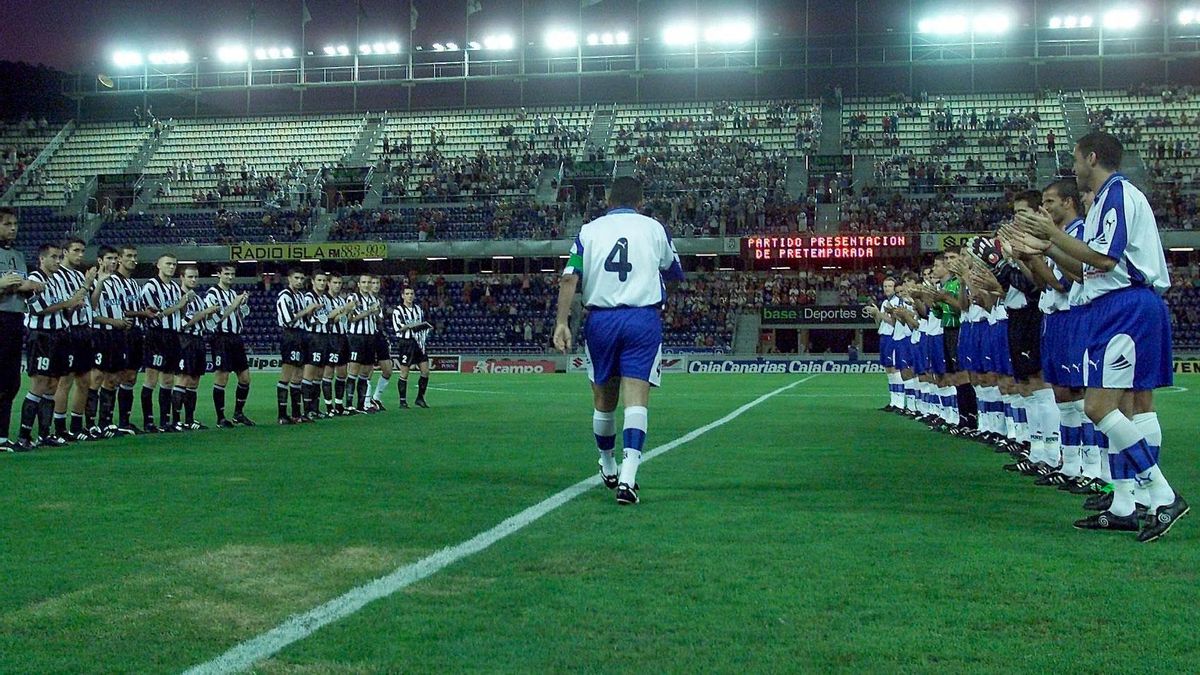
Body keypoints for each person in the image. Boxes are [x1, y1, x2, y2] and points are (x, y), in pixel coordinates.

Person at [1017, 130, 1187, 542]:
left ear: (1092, 158)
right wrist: (1045, 246)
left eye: (1076, 159)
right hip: (1113, 307)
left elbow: (1108, 258)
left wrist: (1052, 237)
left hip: (1125, 307)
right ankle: (1128, 503)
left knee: (1100, 407)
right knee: (1122, 407)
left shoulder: (1118, 194)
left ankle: (1162, 494)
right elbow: (1085, 271)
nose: (1073, 168)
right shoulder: (1105, 202)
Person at [553, 176, 685, 506]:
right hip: (642, 318)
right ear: (641, 202)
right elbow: (673, 269)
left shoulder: (589, 230)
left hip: (600, 319)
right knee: (636, 396)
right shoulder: (654, 228)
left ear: (608, 200)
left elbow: (569, 276)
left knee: (603, 399)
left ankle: (608, 464)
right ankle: (628, 478)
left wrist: (561, 322)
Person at [16, 244, 80, 449]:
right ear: (42, 259)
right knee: (40, 383)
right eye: (53, 257)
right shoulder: (34, 278)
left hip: (60, 335)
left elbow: (63, 310)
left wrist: (71, 307)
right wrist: (68, 303)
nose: (58, 261)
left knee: (53, 384)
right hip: (42, 337)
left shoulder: (58, 280)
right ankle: (24, 435)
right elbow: (37, 310)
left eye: (59, 257)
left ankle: (45, 433)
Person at [0, 208, 46, 451]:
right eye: (7, 224)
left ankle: (2, 437)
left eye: (15, 223)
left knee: (11, 381)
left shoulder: (18, 256)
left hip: (15, 319)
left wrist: (29, 288)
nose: (13, 228)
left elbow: (20, 285)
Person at [52, 238, 98, 442]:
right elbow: (68, 305)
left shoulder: (78, 275)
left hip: (84, 331)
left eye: (82, 251)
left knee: (84, 380)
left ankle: (77, 425)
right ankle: (60, 427)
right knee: (66, 380)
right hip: (69, 331)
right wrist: (87, 285)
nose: (80, 255)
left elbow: (89, 305)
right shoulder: (58, 276)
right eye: (76, 251)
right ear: (65, 252)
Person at [140, 254, 190, 432]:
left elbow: (180, 314)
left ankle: (165, 421)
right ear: (159, 265)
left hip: (173, 336)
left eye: (174, 264)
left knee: (168, 380)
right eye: (168, 264)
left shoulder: (175, 288)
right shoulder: (150, 287)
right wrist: (178, 305)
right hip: (157, 335)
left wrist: (182, 306)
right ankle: (148, 421)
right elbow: (155, 314)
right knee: (151, 379)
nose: (172, 267)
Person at [205, 263, 254, 428]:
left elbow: (241, 315)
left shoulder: (233, 293)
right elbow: (215, 318)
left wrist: (243, 304)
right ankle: (220, 418)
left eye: (232, 274)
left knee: (245, 378)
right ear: (218, 274)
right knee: (222, 377)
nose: (230, 277)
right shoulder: (212, 294)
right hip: (221, 338)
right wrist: (234, 304)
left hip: (236, 338)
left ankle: (238, 413)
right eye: (227, 274)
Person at [89, 246, 129, 438]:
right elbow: (90, 311)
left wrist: (123, 321)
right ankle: (90, 423)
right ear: (100, 260)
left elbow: (119, 307)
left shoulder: (117, 282)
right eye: (109, 258)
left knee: (113, 379)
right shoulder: (92, 279)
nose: (114, 262)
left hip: (117, 335)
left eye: (115, 258)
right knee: (96, 377)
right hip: (100, 335)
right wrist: (113, 321)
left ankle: (105, 422)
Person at [176, 265, 220, 430]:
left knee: (194, 380)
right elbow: (185, 323)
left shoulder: (199, 298)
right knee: (183, 378)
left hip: (198, 339)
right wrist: (205, 312)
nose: (193, 280)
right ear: (182, 277)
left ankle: (189, 419)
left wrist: (210, 313)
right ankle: (176, 420)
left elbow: (205, 322)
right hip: (184, 340)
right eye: (190, 277)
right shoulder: (179, 296)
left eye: (195, 277)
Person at [275, 269, 318, 424]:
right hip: (290, 335)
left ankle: (296, 414)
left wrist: (312, 313)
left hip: (301, 335)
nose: (299, 281)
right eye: (297, 278)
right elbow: (288, 320)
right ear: (289, 279)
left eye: (302, 278)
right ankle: (281, 415)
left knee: (298, 375)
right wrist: (306, 310)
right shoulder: (284, 296)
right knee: (286, 374)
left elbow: (305, 319)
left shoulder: (300, 295)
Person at [392, 286, 433, 408]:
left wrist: (424, 327)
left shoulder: (418, 309)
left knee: (425, 371)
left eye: (411, 293)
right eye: (407, 293)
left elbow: (420, 325)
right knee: (404, 372)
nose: (410, 296)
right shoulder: (398, 311)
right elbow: (398, 328)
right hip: (406, 343)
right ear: (402, 296)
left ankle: (420, 398)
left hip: (418, 343)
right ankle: (402, 401)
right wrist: (412, 325)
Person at [345, 274, 380, 414]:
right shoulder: (353, 298)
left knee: (366, 371)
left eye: (369, 282)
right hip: (356, 337)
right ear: (358, 284)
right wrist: (369, 312)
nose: (366, 285)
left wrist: (376, 313)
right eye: (364, 282)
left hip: (370, 337)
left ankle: (361, 405)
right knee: (353, 370)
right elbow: (350, 319)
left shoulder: (373, 299)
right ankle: (349, 405)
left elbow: (376, 318)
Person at [324, 275, 356, 416]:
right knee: (329, 373)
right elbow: (329, 319)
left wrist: (350, 311)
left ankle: (339, 404)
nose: (337, 285)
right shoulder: (325, 300)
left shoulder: (340, 300)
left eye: (339, 283)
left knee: (342, 373)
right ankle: (329, 406)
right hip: (331, 337)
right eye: (334, 283)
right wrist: (345, 309)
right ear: (328, 284)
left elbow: (346, 320)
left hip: (343, 337)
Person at [368, 276, 394, 411]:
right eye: (373, 283)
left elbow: (381, 320)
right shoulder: (363, 300)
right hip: (368, 336)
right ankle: (367, 402)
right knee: (368, 370)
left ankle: (376, 398)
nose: (376, 285)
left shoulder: (380, 300)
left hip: (379, 335)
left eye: (377, 283)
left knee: (388, 370)